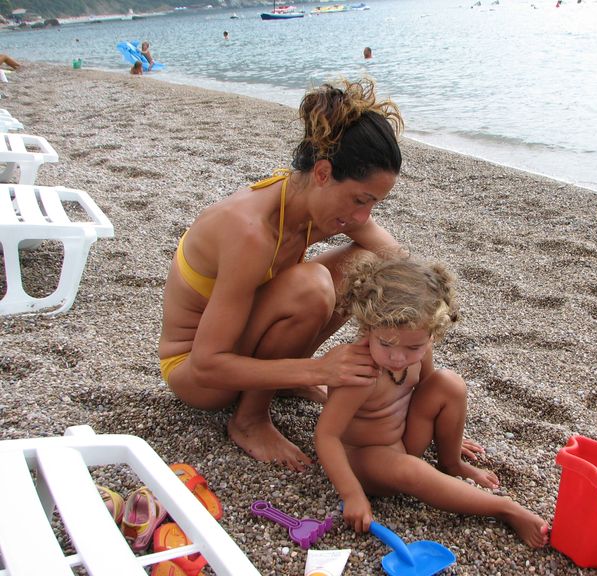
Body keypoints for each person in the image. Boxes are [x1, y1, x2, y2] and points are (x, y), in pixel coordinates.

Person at [158, 79, 406, 472]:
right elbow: (206, 364)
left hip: (239, 347)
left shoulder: (314, 202)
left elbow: (403, 268)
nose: (363, 216)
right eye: (360, 200)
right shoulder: (250, 232)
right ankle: (250, 420)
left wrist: (415, 391)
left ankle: (285, 381)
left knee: (367, 265)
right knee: (311, 286)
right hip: (198, 376)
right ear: (322, 172)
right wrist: (319, 369)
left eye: (373, 204)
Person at [315, 255, 550, 548]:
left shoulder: (419, 348)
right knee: (410, 471)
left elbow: (426, 392)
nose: (398, 357)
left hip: (403, 438)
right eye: (386, 344)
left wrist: (446, 434)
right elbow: (326, 436)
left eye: (413, 346)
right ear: (368, 326)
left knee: (448, 382)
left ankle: (451, 463)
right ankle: (504, 509)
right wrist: (351, 494)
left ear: (431, 335)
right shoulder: (360, 372)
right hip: (366, 459)